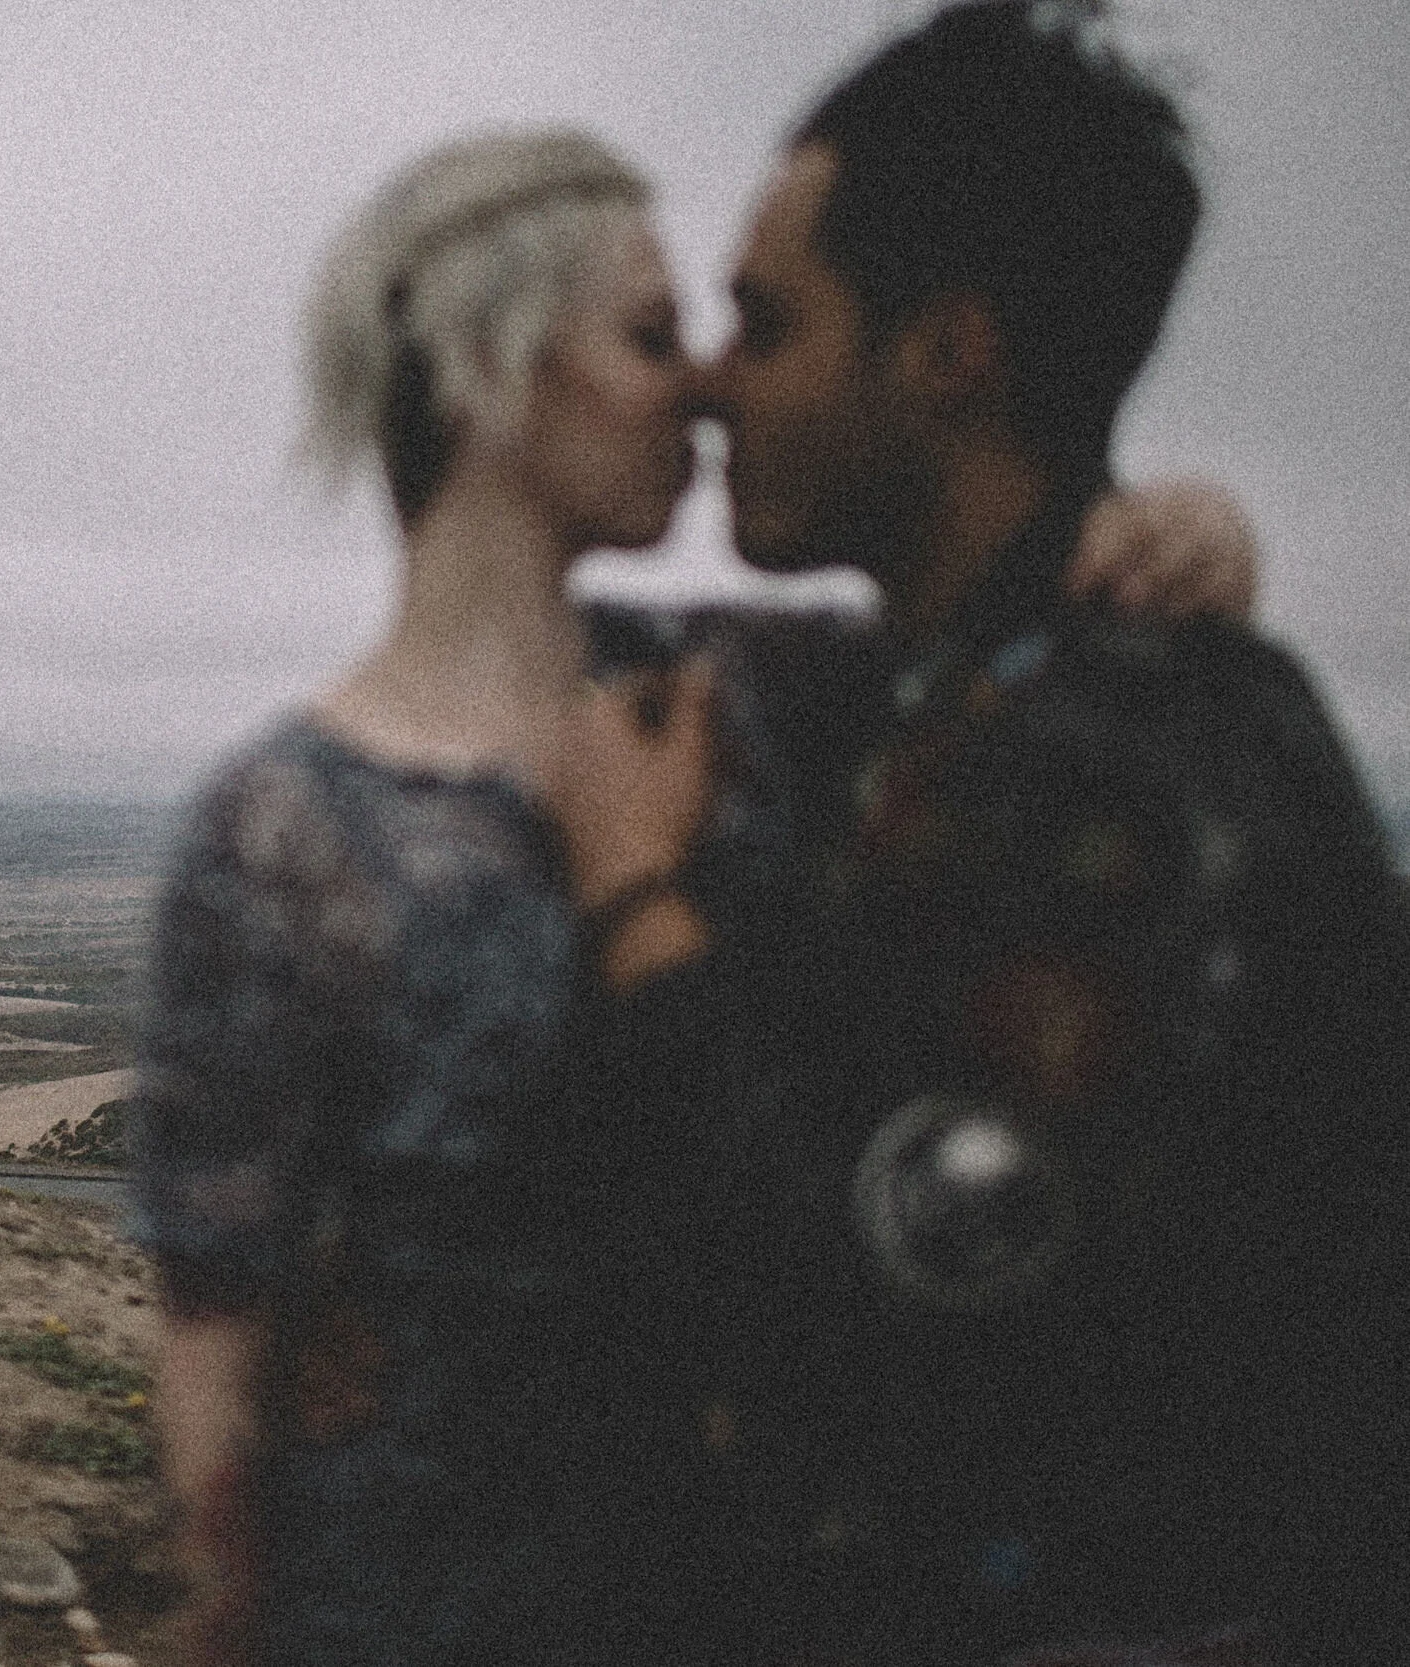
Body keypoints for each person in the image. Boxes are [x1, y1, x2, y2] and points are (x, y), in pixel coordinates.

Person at [131, 123, 1266, 1667]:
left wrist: (1178, 526)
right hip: (401, 1610)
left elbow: (1016, 619)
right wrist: (226, 1609)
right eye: (653, 335)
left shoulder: (758, 690)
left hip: (728, 1595)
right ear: (489, 363)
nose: (705, 383)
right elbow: (218, 1324)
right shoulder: (273, 836)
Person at [554, 3, 1410, 1659]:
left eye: (766, 318)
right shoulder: (957, 685)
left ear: (946, 353)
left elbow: (893, 1300)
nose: (715, 380)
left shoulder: (1124, 764)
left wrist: (635, 913)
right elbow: (561, 638)